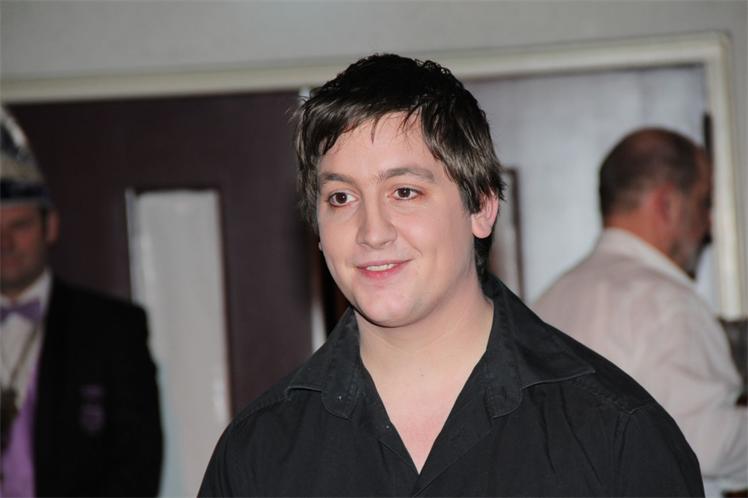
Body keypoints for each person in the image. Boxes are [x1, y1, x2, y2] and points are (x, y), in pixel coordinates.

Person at [199, 54, 703, 496]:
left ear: (481, 207)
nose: (372, 232)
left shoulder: (617, 433)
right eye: (341, 198)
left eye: (404, 192)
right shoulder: (257, 451)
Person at [534, 128, 747, 495]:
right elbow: (705, 443)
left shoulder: (549, 301)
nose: (708, 224)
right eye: (703, 202)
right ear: (667, 203)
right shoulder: (666, 301)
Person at [0, 108, 163, 496]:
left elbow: (139, 460)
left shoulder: (112, 327)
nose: (5, 243)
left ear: (50, 226)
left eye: (19, 226)